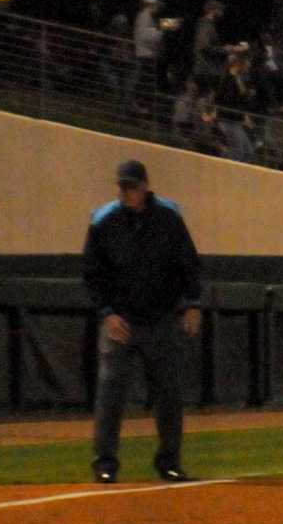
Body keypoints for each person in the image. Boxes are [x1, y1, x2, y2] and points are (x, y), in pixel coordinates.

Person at [83, 159, 203, 484]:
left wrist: (192, 304)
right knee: (110, 395)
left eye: (132, 187)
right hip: (121, 322)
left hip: (161, 319)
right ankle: (105, 464)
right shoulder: (104, 220)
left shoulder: (169, 215)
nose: (126, 193)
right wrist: (107, 313)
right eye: (122, 187)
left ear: (145, 186)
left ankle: (170, 462)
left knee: (169, 395)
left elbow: (188, 263)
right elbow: (93, 274)